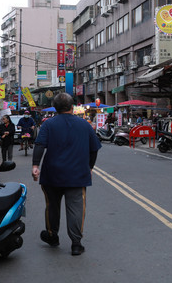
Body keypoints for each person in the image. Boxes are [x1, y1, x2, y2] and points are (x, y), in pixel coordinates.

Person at [32, 93, 102, 256]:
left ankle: (52, 236)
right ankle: (76, 244)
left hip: (52, 174)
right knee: (76, 209)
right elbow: (94, 149)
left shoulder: (48, 125)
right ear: (72, 107)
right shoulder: (84, 125)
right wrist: (89, 168)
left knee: (52, 206)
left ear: (55, 108)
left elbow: (40, 145)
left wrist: (35, 165)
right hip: (77, 174)